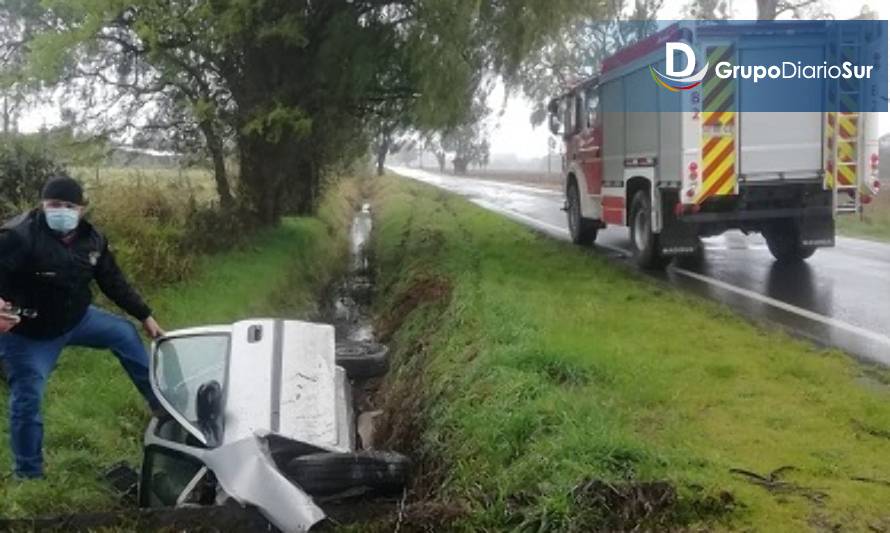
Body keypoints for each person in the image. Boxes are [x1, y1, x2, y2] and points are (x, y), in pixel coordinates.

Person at [0, 174, 164, 479]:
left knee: (125, 334)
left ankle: (163, 408)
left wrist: (145, 315)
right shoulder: (17, 236)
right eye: (53, 204)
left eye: (68, 205)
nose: (60, 210)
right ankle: (28, 474)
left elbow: (113, 281)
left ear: (81, 209)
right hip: (29, 333)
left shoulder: (93, 240)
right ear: (42, 205)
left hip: (79, 319)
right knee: (28, 397)